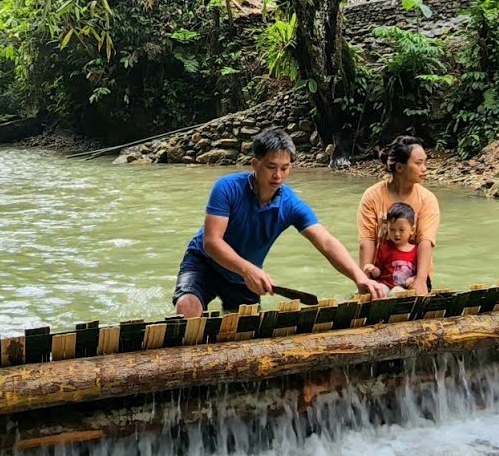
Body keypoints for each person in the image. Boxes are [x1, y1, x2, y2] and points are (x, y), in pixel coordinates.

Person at [174, 130, 388, 317]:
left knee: (244, 331)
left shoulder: (290, 204)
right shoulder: (227, 187)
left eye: (285, 168)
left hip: (244, 278)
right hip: (204, 262)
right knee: (188, 306)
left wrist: (360, 278)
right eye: (271, 167)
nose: (278, 175)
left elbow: (326, 242)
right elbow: (211, 242)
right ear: (255, 164)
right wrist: (248, 269)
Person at [357, 135, 440, 295]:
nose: (424, 168)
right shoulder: (372, 196)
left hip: (414, 277)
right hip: (380, 278)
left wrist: (421, 280)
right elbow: (367, 242)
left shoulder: (427, 199)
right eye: (418, 163)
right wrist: (364, 282)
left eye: (424, 162)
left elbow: (425, 242)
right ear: (400, 168)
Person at [363, 202, 419, 293]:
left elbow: (420, 274)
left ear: (412, 230)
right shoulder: (384, 249)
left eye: (401, 230)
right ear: (387, 228)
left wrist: (413, 279)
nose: (396, 234)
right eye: (392, 229)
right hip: (385, 286)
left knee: (397, 291)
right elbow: (378, 273)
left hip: (403, 290)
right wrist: (372, 269)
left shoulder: (416, 251)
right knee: (380, 288)